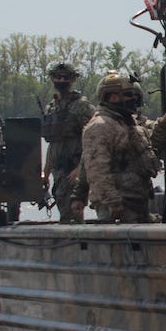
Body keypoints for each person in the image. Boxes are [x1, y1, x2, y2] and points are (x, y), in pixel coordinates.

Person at [79, 72, 166, 222]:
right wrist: (113, 202)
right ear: (112, 97)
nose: (132, 99)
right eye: (127, 95)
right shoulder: (101, 126)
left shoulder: (128, 124)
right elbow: (97, 170)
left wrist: (162, 125)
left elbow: (149, 148)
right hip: (117, 207)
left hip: (138, 202)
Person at [40, 61, 94, 222]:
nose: (61, 81)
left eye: (66, 78)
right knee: (64, 211)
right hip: (58, 170)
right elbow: (53, 144)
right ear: (52, 78)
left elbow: (93, 139)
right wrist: (46, 172)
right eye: (58, 77)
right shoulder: (52, 107)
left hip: (74, 168)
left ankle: (79, 245)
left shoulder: (81, 106)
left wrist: (80, 169)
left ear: (73, 80)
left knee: (72, 213)